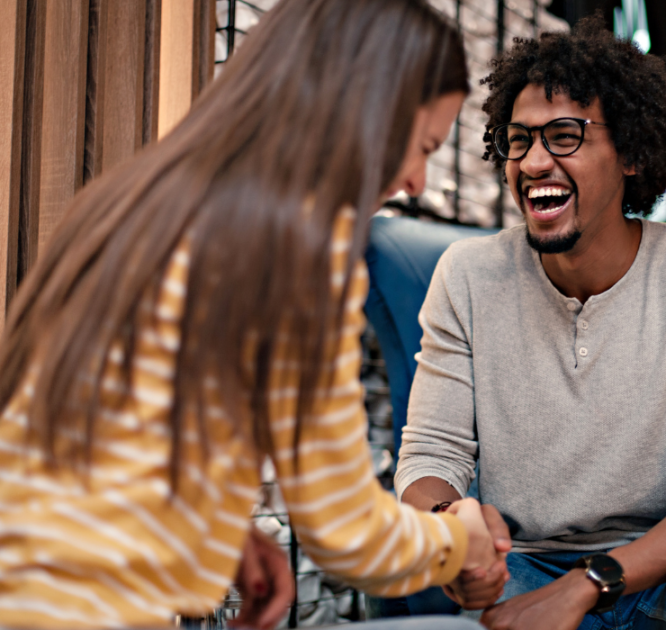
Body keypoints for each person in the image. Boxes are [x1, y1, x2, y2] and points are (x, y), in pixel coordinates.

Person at [0, 1, 501, 628]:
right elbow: (349, 536)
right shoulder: (300, 249)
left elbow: (100, 449)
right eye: (422, 145)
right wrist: (462, 541)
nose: (418, 182)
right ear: (370, 108)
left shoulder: (131, 201)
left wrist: (217, 538)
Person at [387, 14, 666, 630]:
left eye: (564, 136)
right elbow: (428, 458)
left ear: (631, 152)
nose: (532, 162)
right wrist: (453, 522)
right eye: (519, 139)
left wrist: (593, 581)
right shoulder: (468, 277)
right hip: (526, 564)